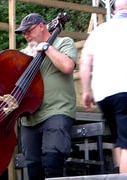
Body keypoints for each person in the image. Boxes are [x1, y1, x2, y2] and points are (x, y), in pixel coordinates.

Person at [0, 13, 77, 179]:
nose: (26, 36)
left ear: (42, 26)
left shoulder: (63, 43)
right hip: (29, 116)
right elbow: (3, 76)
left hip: (57, 110)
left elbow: (67, 66)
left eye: (29, 31)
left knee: (52, 159)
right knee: (32, 166)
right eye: (23, 33)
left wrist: (47, 47)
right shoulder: (23, 54)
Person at [79, 0, 127, 174]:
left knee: (119, 140)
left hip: (104, 95)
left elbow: (84, 63)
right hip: (125, 91)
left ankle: (118, 173)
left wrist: (86, 91)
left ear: (114, 10)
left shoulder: (99, 31)